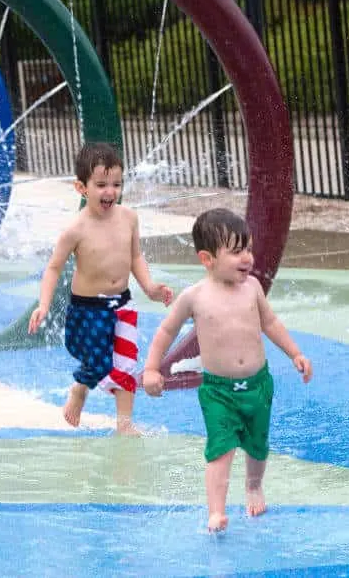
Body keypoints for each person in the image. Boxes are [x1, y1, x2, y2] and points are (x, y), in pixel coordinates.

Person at [143, 207, 313, 533]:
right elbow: (166, 332)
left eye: (247, 248)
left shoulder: (252, 289)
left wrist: (295, 353)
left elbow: (271, 323)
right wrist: (152, 369)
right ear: (207, 259)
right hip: (218, 391)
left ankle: (253, 485)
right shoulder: (194, 297)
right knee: (220, 449)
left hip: (258, 384)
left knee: (257, 446)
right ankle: (216, 512)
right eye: (236, 252)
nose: (247, 257)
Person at [27, 141, 174, 434]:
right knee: (98, 363)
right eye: (101, 184)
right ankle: (80, 388)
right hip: (88, 309)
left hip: (123, 304)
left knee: (126, 363)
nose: (110, 192)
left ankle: (124, 424)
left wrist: (149, 287)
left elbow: (135, 256)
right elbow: (54, 267)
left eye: (116, 184)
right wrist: (43, 304)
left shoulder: (129, 218)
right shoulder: (76, 230)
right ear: (81, 188)